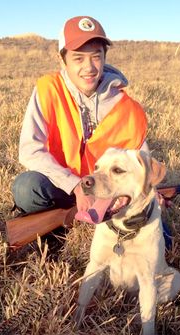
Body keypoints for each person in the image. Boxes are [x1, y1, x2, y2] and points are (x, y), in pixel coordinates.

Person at [11, 15, 150, 217]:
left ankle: (103, 214)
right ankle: (55, 232)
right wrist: (75, 185)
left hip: (106, 189)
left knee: (164, 239)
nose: (89, 68)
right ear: (62, 59)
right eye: (78, 58)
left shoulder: (128, 108)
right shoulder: (48, 90)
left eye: (96, 57)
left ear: (104, 57)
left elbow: (141, 161)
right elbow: (30, 150)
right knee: (26, 188)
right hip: (61, 184)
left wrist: (149, 191)